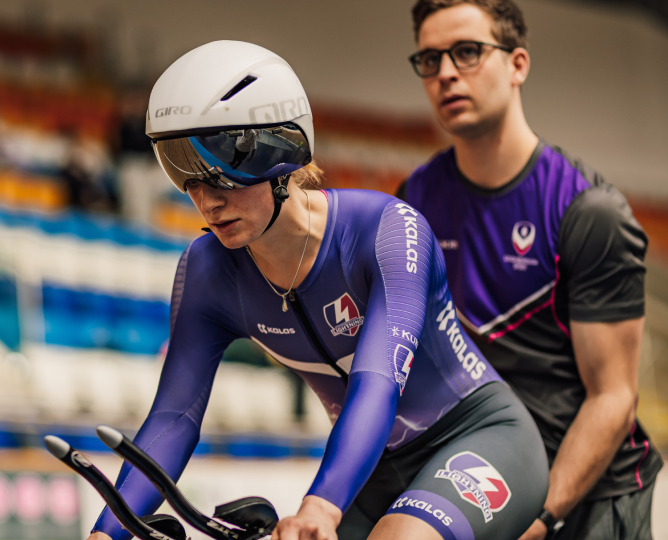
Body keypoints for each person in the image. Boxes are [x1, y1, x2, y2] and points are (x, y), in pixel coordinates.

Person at [88, 40, 548, 540]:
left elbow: (377, 383)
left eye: (219, 168)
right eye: (182, 172)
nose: (204, 199)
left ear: (278, 150)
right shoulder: (207, 270)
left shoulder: (388, 232)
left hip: (475, 438)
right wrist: (106, 531)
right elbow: (174, 416)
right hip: (371, 472)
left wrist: (322, 506)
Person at [395, 2, 662, 539]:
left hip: (590, 499)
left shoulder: (587, 212)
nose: (445, 72)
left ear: (518, 64)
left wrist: (542, 518)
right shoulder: (415, 201)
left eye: (467, 52)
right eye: (429, 59)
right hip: (487, 481)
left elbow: (613, 396)